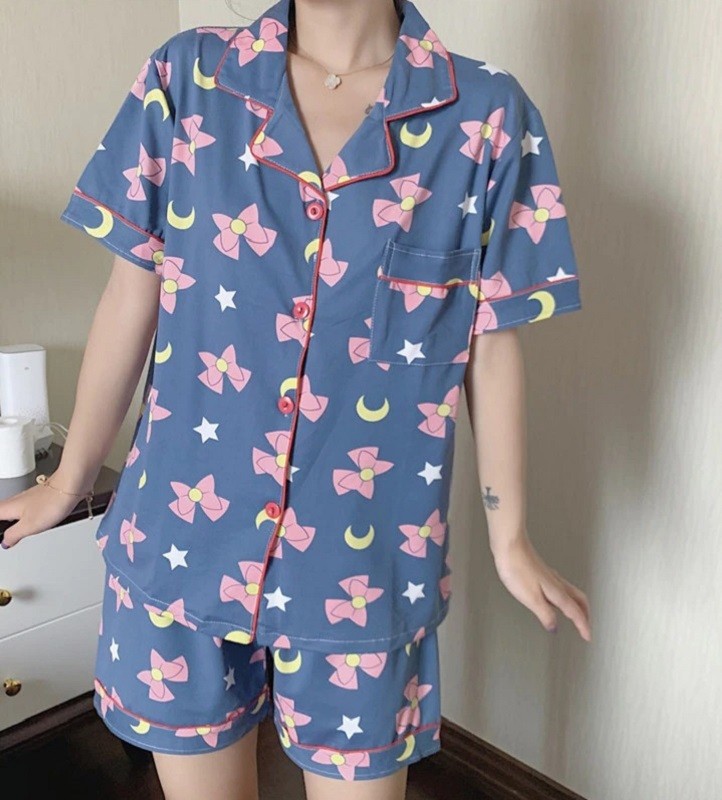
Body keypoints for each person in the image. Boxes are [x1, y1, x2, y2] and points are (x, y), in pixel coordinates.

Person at [0, 0, 592, 797]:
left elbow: (489, 341)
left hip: (364, 562)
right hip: (181, 534)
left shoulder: (486, 118)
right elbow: (131, 294)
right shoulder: (188, 80)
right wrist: (69, 481)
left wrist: (509, 536)